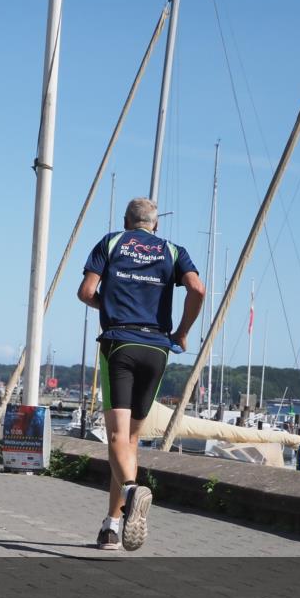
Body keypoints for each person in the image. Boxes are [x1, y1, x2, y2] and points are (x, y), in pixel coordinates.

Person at [77, 197, 204, 552]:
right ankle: (112, 527)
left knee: (116, 436)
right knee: (129, 442)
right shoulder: (174, 251)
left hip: (119, 344)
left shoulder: (111, 242)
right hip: (157, 349)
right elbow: (198, 289)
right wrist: (181, 332)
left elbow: (86, 292)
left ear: (126, 221)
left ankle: (131, 492)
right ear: (156, 224)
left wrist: (111, 305)